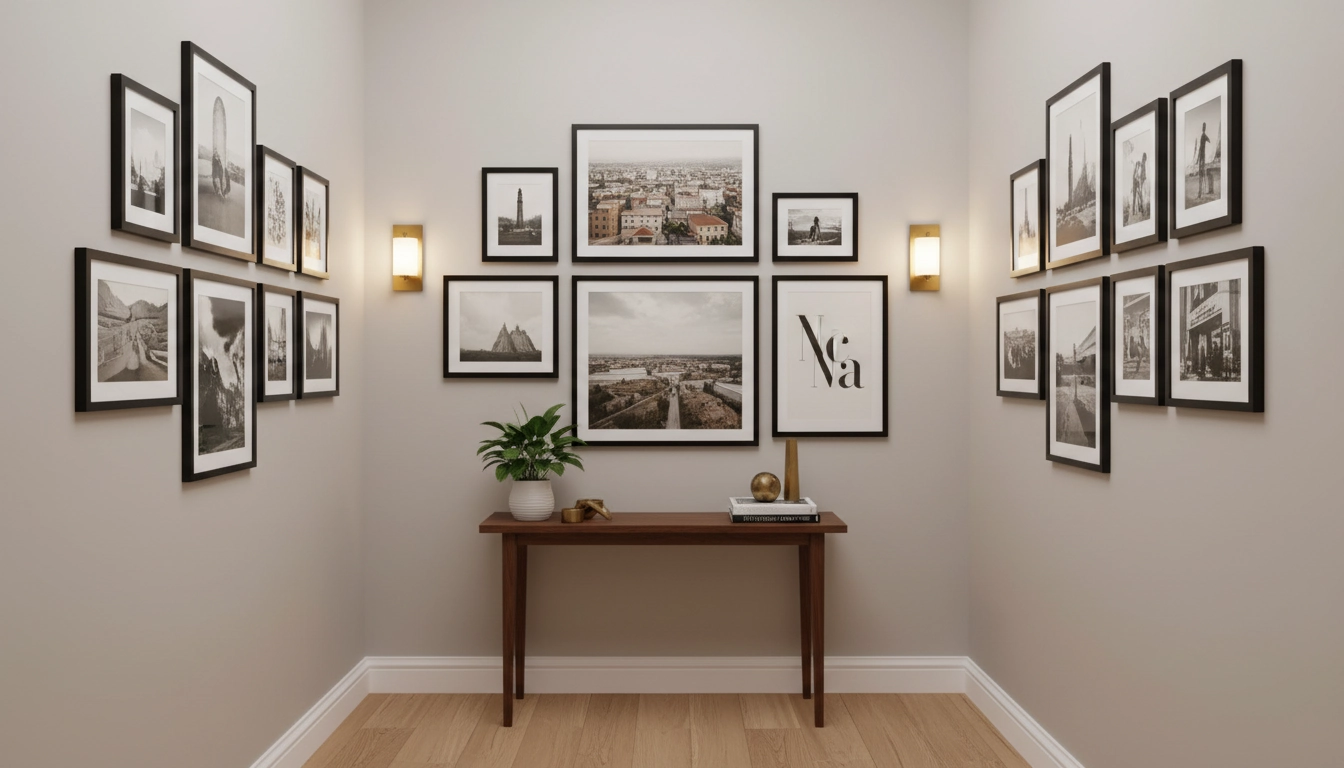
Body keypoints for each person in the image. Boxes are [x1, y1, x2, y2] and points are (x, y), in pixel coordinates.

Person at [1194, 122, 1212, 198]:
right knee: (1201, 174)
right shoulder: (1202, 136)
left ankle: (1200, 194)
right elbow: (1200, 148)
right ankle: (1200, 193)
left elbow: (1209, 141)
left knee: (1201, 174)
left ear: (1205, 128)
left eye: (1204, 127)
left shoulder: (1204, 136)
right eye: (1203, 127)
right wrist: (1198, 159)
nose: (1203, 128)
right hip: (1201, 157)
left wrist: (1199, 159)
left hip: (1202, 158)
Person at [1130, 151, 1148, 220]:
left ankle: (1140, 210)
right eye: (1144, 159)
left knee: (1140, 196)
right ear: (1143, 158)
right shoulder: (1139, 164)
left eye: (1145, 159)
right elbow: (1136, 174)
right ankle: (1135, 211)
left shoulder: (1143, 166)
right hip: (1136, 181)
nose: (1144, 161)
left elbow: (1144, 177)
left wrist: (1142, 182)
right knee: (1136, 196)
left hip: (1139, 182)